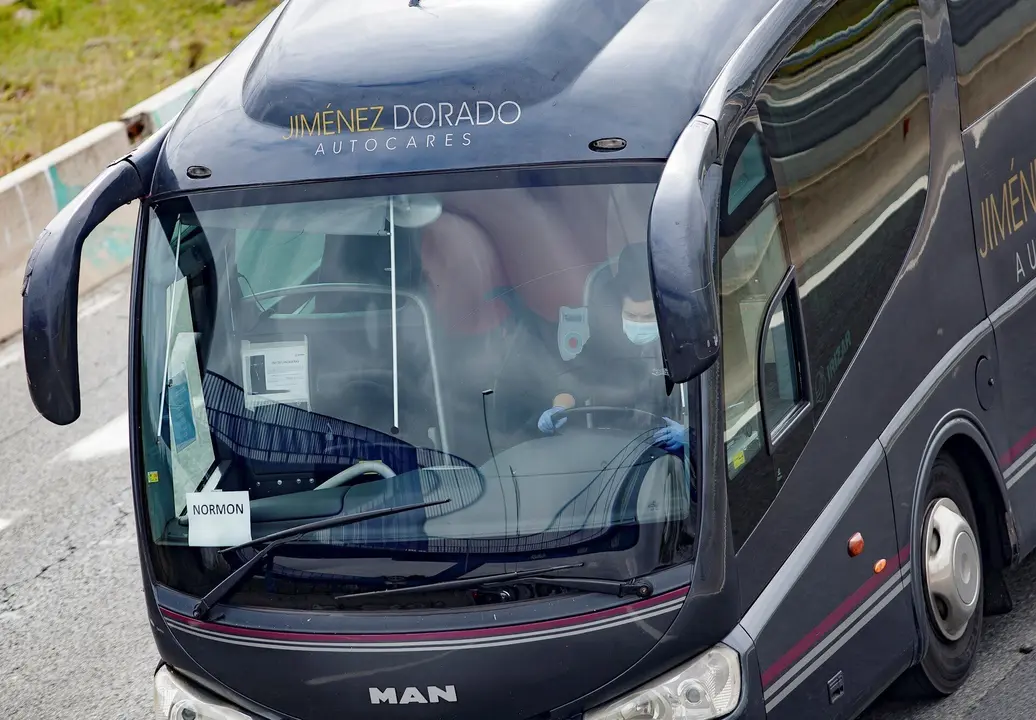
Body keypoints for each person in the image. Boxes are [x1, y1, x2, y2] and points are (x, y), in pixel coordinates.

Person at [536, 243, 692, 457]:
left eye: (647, 317)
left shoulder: (686, 345)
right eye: (631, 315)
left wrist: (689, 436)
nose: (638, 323)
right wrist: (559, 409)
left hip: (670, 459)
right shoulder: (603, 345)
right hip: (613, 457)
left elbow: (715, 404)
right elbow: (573, 383)